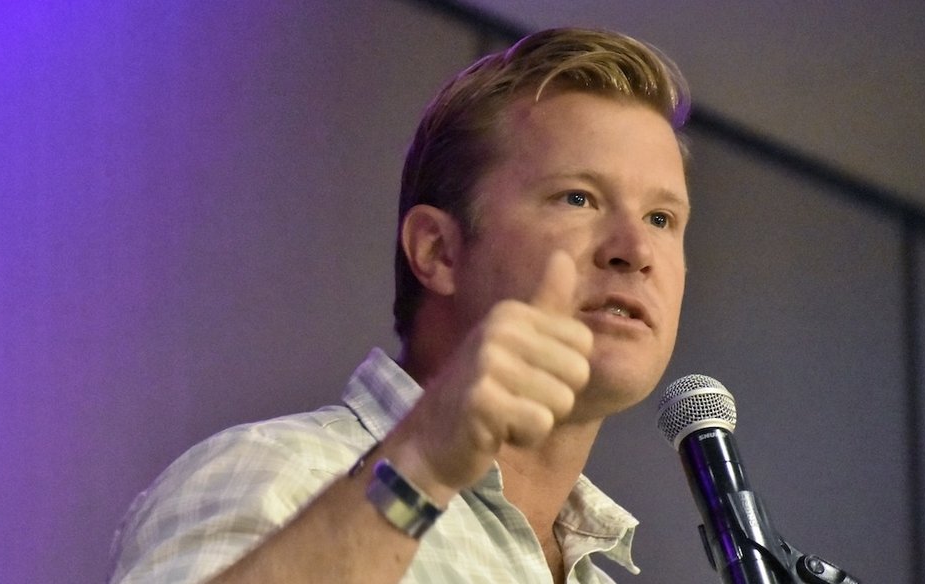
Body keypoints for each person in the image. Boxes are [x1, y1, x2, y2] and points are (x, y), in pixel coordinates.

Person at [109, 27, 691, 584]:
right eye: (579, 198)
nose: (636, 251)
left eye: (661, 218)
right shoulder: (280, 476)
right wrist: (420, 467)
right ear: (438, 251)